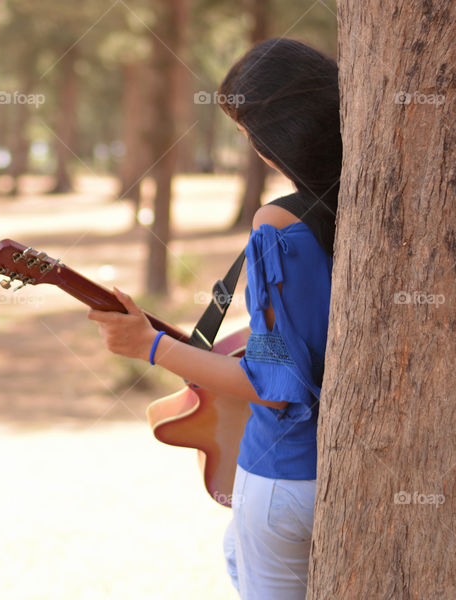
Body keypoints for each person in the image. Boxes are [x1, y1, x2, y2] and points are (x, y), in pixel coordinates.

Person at [88, 37, 340, 599]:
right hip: (342, 473)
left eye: (249, 133)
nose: (253, 148)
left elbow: (276, 388)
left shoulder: (281, 224)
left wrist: (150, 346)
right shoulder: (361, 202)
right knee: (233, 550)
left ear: (279, 135)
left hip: (288, 475)